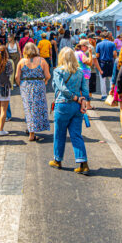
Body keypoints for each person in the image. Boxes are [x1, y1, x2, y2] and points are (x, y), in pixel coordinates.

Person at [49, 47, 90, 175]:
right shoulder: (79, 71)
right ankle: (83, 162)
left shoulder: (58, 71)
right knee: (76, 134)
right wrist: (83, 101)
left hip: (63, 105)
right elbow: (86, 89)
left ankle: (57, 159)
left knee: (59, 134)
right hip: (77, 106)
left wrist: (74, 97)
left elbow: (62, 88)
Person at [15, 42, 50, 141]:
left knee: (29, 108)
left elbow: (17, 77)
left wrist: (20, 85)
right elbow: (48, 75)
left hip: (26, 85)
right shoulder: (42, 61)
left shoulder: (22, 62)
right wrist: (45, 81)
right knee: (38, 108)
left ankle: (31, 130)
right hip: (39, 85)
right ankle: (32, 132)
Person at [96, 31, 117, 100]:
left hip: (102, 63)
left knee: (102, 80)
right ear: (108, 37)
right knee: (111, 79)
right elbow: (114, 54)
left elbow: (97, 55)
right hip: (110, 63)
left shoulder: (98, 44)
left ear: (102, 37)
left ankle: (104, 95)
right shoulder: (112, 44)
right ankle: (111, 94)